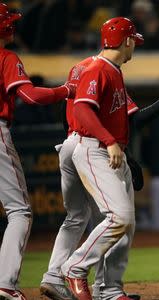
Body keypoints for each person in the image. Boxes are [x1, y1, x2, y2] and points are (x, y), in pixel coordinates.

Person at [57, 17, 159, 300]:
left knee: (126, 224)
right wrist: (109, 141)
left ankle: (108, 290)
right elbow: (83, 111)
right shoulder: (97, 69)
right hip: (94, 146)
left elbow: (132, 122)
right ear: (127, 41)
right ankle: (75, 267)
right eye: (135, 41)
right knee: (117, 217)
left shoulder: (113, 72)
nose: (136, 47)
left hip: (110, 149)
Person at [0, 3, 75, 299]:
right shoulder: (6, 57)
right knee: (20, 212)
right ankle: (5, 283)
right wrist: (66, 90)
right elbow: (30, 96)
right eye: (9, 21)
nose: (14, 25)